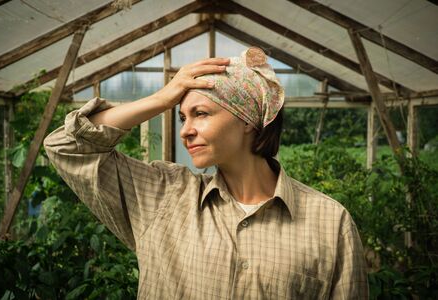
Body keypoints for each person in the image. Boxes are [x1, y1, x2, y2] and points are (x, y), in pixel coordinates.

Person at [44, 47, 368, 299]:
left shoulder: (330, 223)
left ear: (247, 121)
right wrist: (161, 97)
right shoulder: (162, 197)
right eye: (182, 117)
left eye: (200, 114)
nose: (186, 131)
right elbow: (67, 146)